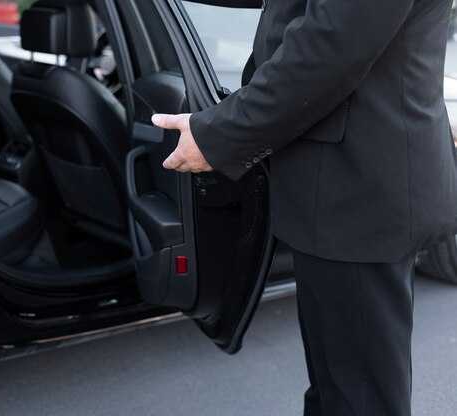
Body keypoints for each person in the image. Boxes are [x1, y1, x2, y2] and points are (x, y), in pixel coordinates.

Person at [152, 0, 457, 415]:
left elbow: (329, 47)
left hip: (357, 196)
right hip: (343, 190)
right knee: (335, 390)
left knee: (358, 399)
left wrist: (217, 137)